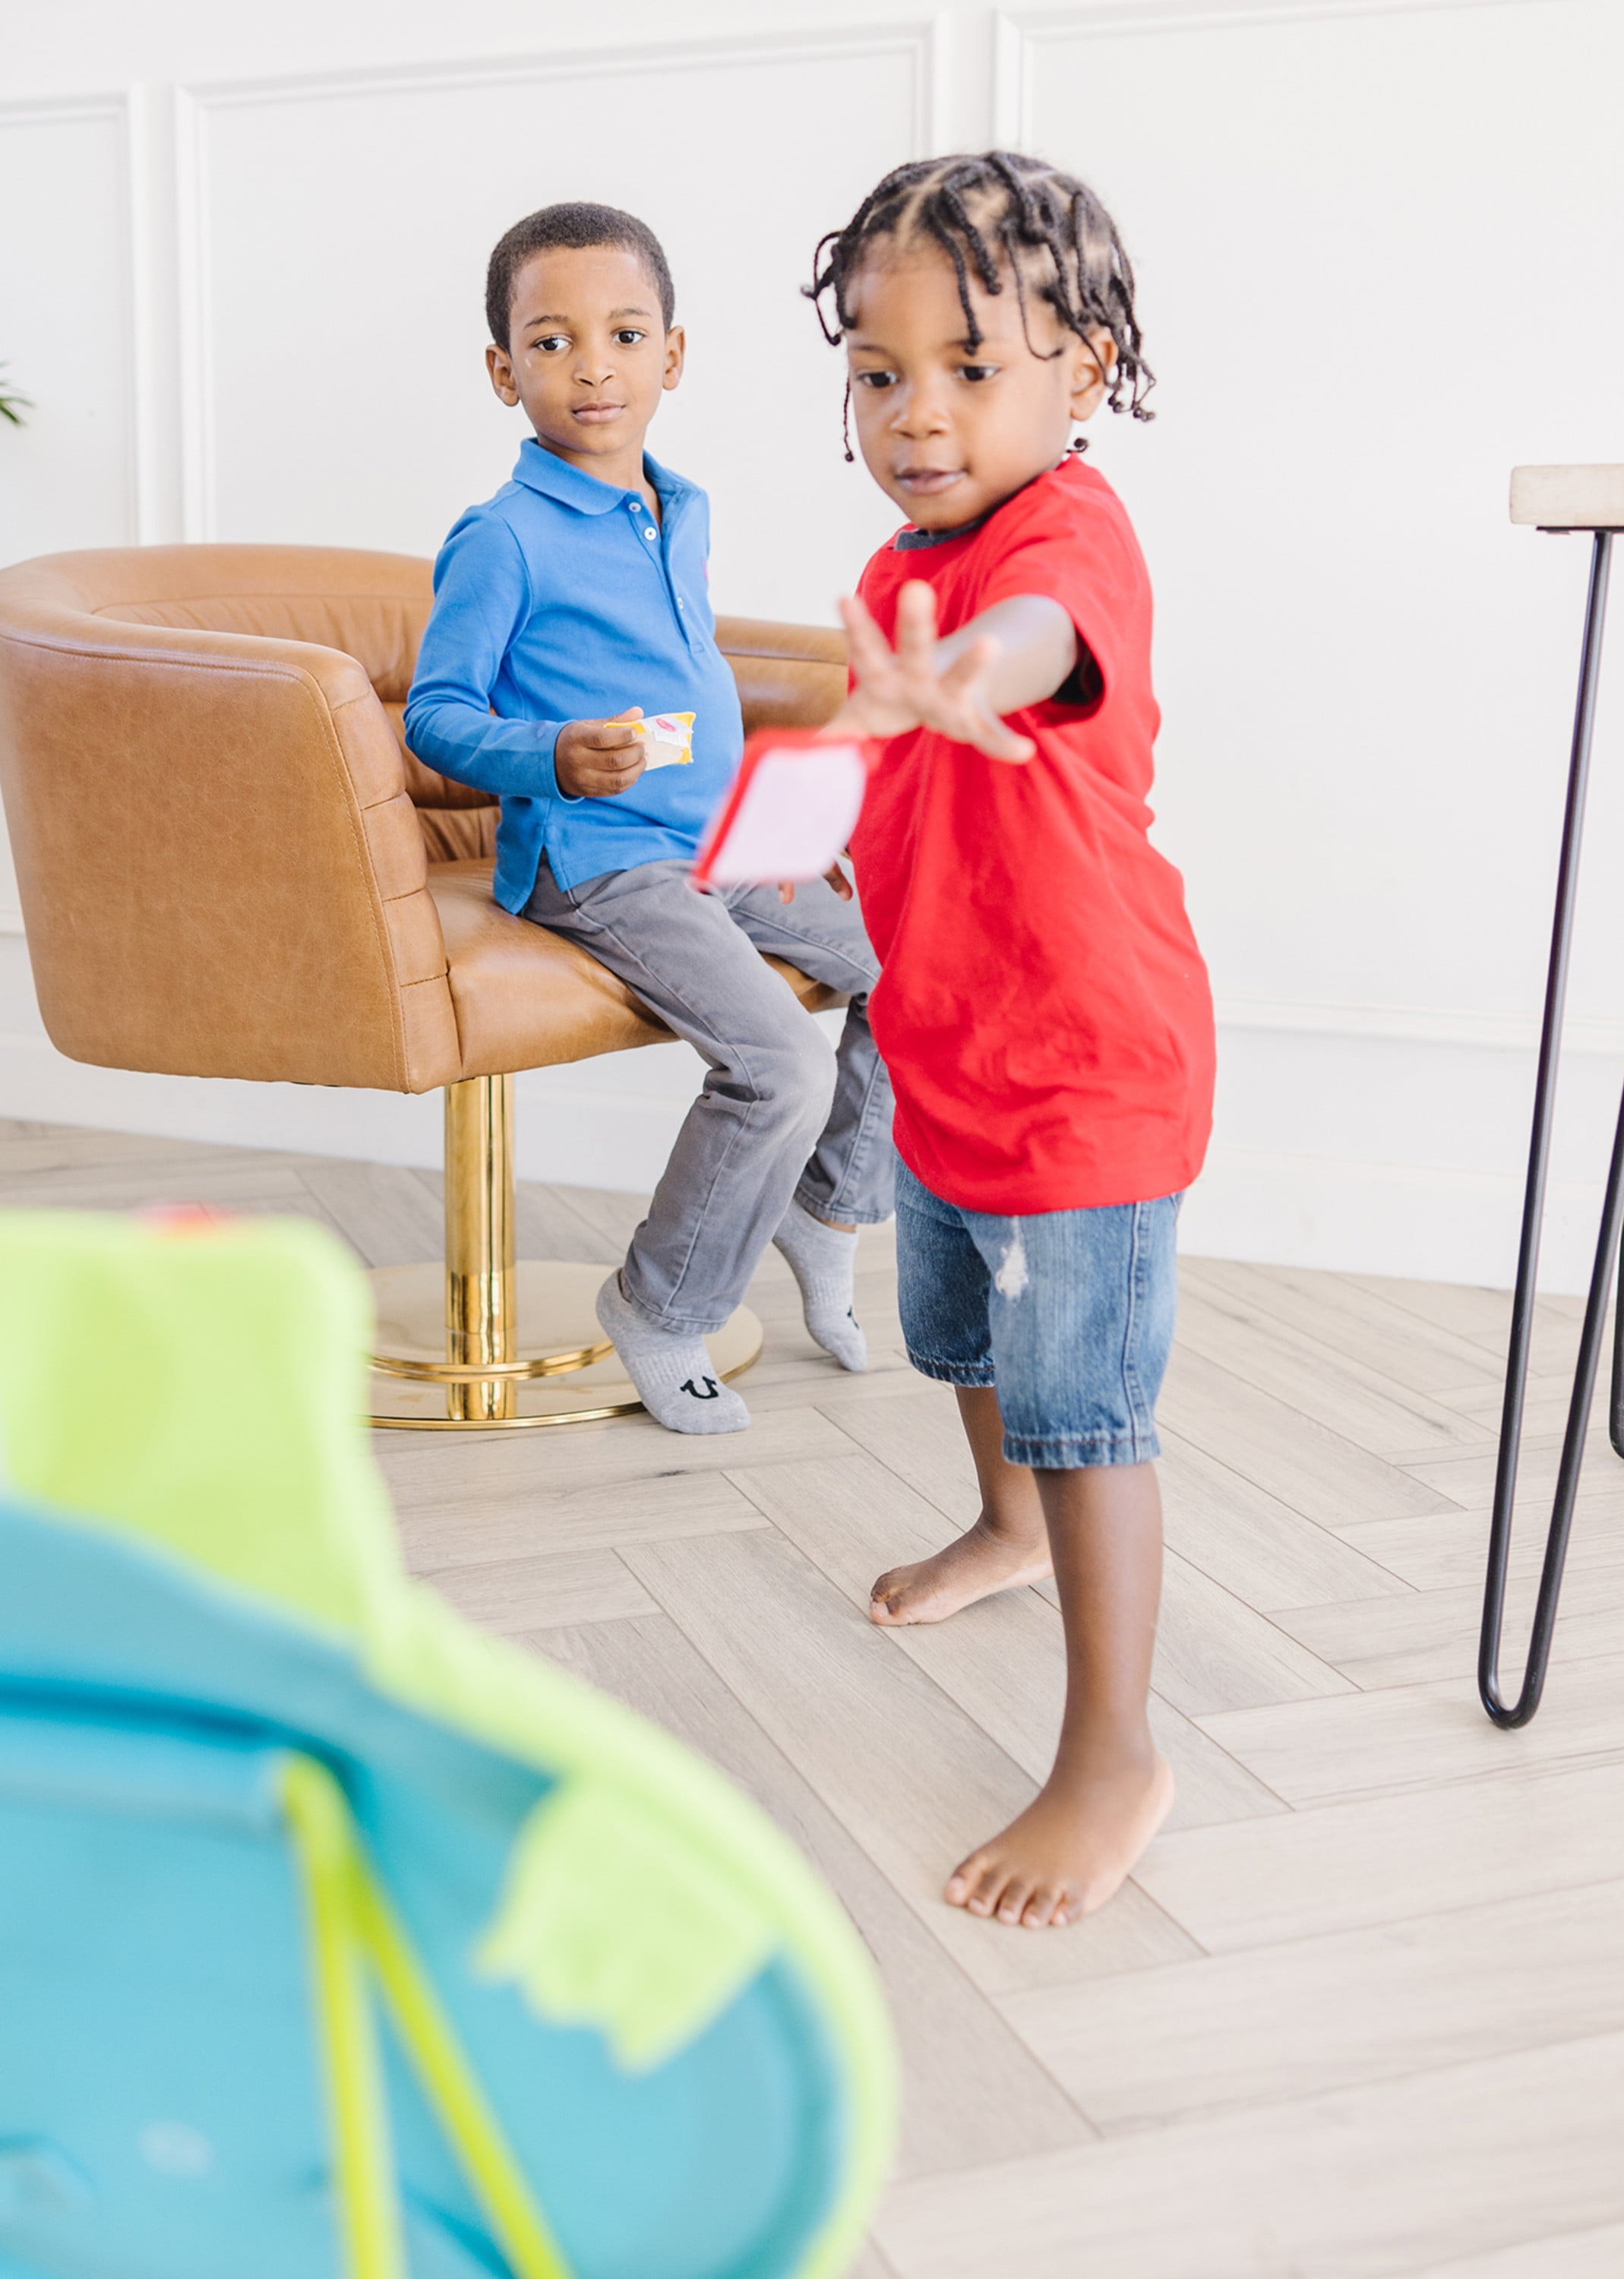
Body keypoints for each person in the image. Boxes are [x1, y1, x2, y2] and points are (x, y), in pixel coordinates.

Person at [808, 153, 1216, 1928]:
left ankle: (1113, 1751)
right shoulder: (898, 564)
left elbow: (1034, 643)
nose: (918, 412)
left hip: (1083, 1074)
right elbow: (892, 762)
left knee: (1083, 1409)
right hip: (948, 1049)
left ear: (1086, 365)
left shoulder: (1064, 541)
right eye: (880, 372)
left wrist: (968, 669)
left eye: (971, 369)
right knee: (959, 1332)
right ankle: (1007, 1525)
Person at [404, 203, 894, 1435]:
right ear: (503, 371)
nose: (592, 367)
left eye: (624, 335)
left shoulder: (684, 510)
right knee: (778, 1065)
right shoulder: (502, 539)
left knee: (918, 960)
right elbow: (436, 716)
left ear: (672, 355)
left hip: (721, 846)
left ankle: (826, 1211)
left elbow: (689, 684)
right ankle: (663, 1307)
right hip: (601, 858)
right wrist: (553, 757)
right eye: (552, 342)